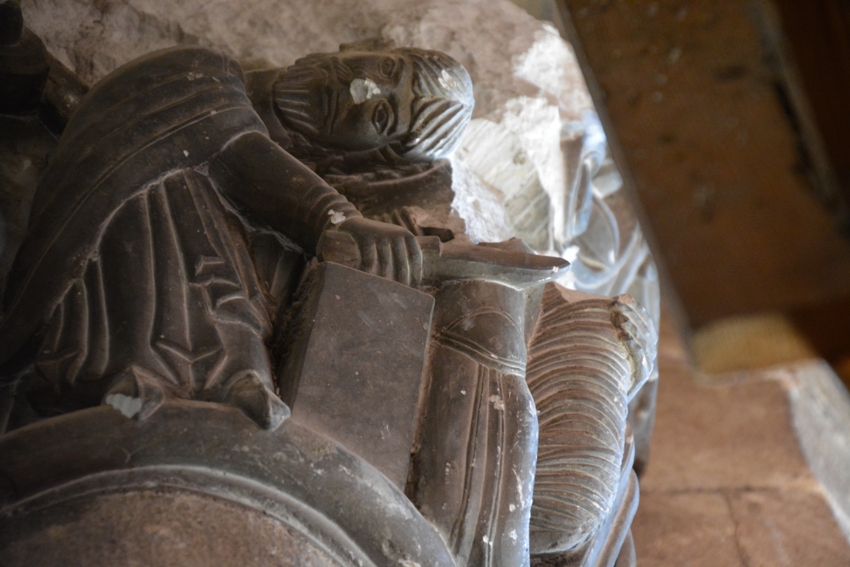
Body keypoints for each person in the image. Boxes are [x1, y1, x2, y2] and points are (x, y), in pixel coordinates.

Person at [0, 40, 474, 431]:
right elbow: (230, 147)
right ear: (361, 45)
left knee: (271, 254)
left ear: (369, 155)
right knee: (183, 186)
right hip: (94, 265)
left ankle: (231, 376)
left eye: (382, 117)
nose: (362, 90)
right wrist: (338, 220)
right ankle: (118, 369)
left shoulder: (290, 202)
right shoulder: (199, 73)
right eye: (388, 69)